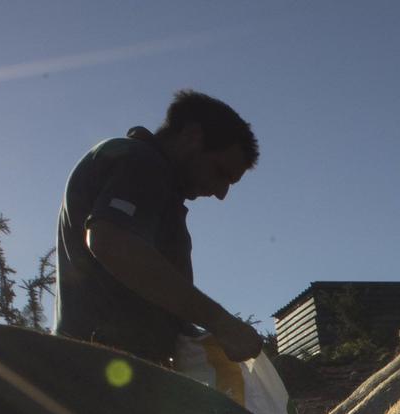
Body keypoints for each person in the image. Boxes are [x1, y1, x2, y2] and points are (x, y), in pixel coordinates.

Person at [53, 89, 265, 367]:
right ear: (192, 136)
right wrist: (220, 321)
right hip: (99, 368)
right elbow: (111, 242)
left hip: (113, 367)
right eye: (220, 172)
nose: (220, 192)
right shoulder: (140, 160)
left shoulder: (156, 185)